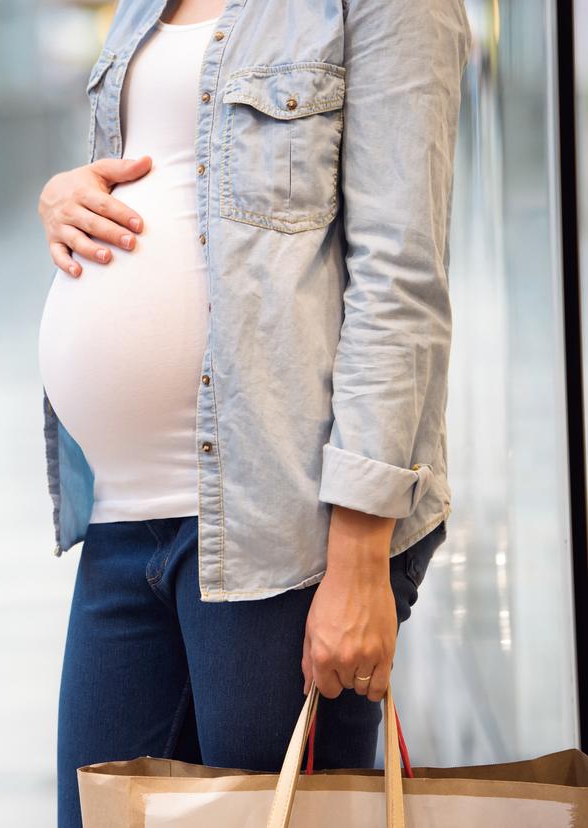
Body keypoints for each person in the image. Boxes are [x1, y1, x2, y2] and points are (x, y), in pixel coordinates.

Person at [36, 0, 470, 824]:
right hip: (126, 522)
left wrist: (359, 556)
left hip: (280, 531)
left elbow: (400, 281)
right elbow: (176, 174)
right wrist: (67, 194)